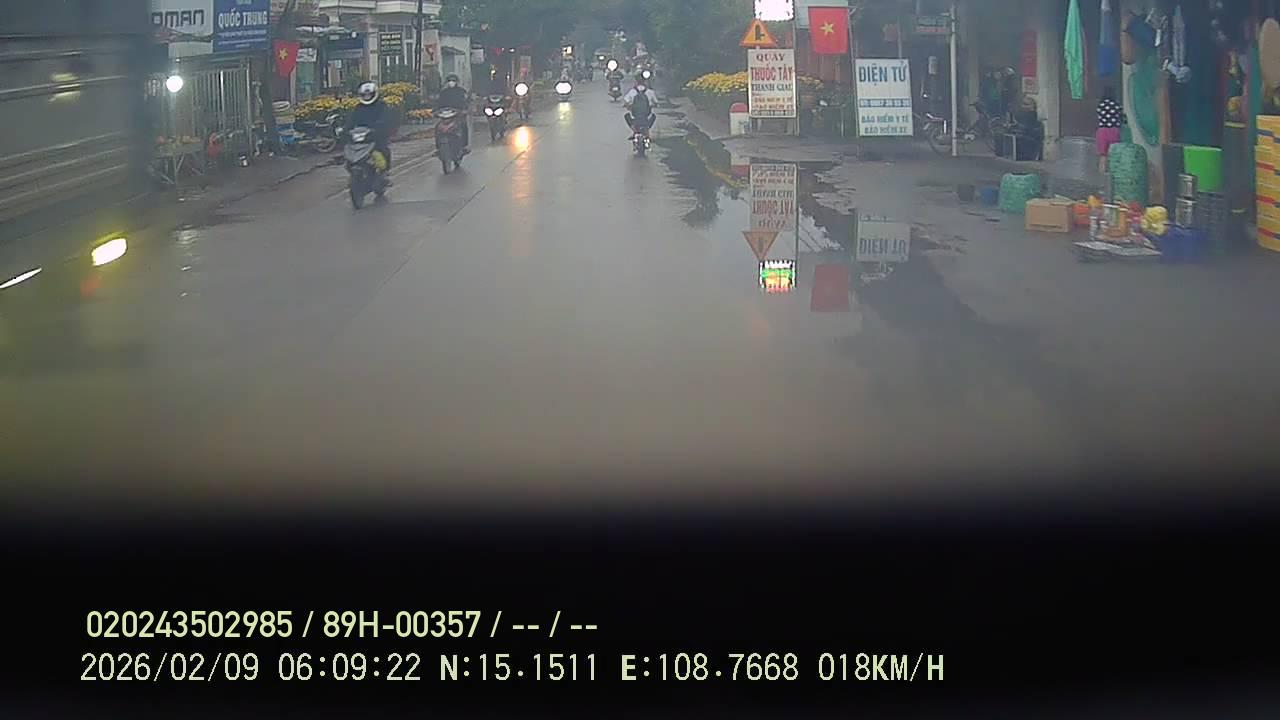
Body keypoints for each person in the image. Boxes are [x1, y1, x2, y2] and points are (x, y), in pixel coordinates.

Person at [345, 81, 393, 174]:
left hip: (375, 135)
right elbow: (351, 120)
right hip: (360, 135)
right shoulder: (359, 107)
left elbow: (385, 118)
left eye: (369, 94)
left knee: (383, 149)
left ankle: (384, 171)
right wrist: (346, 129)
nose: (367, 97)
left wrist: (380, 127)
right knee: (349, 149)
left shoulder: (381, 106)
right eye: (365, 95)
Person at [437, 73, 471, 152]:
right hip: (445, 114)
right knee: (438, 127)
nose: (451, 82)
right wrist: (436, 110)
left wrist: (465, 109)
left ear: (456, 82)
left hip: (457, 114)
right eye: (449, 81)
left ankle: (464, 146)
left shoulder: (461, 91)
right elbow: (439, 103)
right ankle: (438, 148)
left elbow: (466, 101)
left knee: (463, 125)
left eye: (453, 81)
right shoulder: (444, 92)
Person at [1095, 85, 1123, 173]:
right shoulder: (1117, 105)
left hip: (1102, 131)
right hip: (1114, 131)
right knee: (1114, 154)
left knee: (1103, 155)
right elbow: (1122, 118)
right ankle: (1113, 173)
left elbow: (1099, 117)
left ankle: (1101, 172)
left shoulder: (1100, 106)